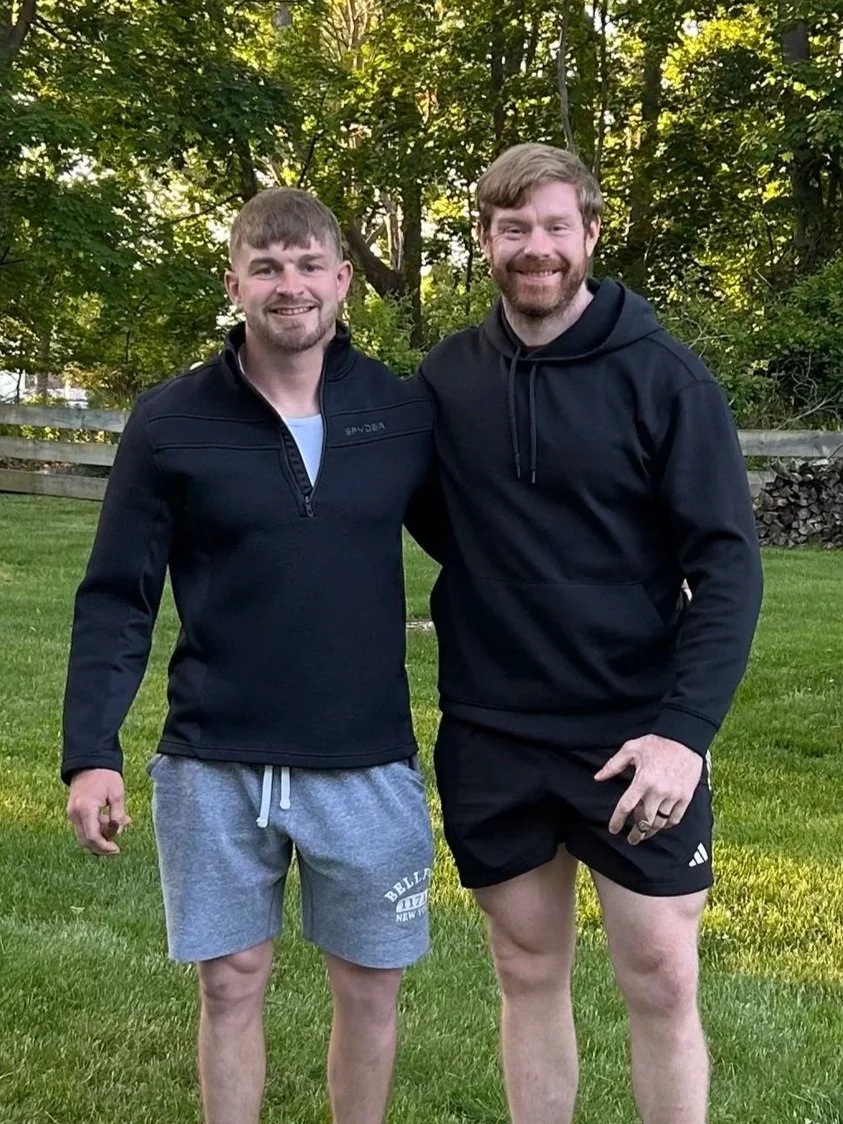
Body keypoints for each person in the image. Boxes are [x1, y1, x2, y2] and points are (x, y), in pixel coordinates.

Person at [62, 187, 435, 1124]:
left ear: (342, 281)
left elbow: (488, 552)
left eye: (308, 265)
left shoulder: (399, 412)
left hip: (365, 757)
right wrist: (91, 752)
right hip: (213, 760)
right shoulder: (171, 419)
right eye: (265, 268)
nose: (288, 285)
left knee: (371, 987)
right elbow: (117, 596)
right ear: (234, 285)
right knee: (230, 982)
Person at [418, 143, 763, 1124]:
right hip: (493, 729)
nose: (535, 247)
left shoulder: (666, 379)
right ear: (485, 239)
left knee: (661, 973)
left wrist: (684, 734)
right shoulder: (445, 378)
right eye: (513, 228)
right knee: (525, 967)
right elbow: (434, 517)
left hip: (634, 734)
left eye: (555, 226)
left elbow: (728, 568)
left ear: (592, 234)